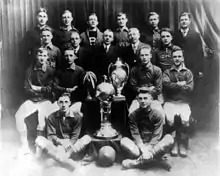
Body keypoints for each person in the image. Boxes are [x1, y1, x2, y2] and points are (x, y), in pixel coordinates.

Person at [15, 48, 58, 155]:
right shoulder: (29, 70)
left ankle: (40, 147)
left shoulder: (51, 71)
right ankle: (24, 144)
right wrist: (37, 91)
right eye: (40, 55)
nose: (42, 58)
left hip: (46, 100)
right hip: (33, 100)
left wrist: (38, 89)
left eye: (44, 55)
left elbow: (50, 89)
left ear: (47, 57)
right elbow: (27, 88)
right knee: (18, 115)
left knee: (42, 121)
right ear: (36, 56)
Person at [35, 92, 92, 170]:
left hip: (72, 147)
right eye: (61, 102)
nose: (64, 105)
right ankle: (66, 161)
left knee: (87, 138)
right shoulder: (51, 117)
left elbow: (75, 135)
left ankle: (62, 158)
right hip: (57, 146)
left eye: (66, 102)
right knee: (39, 140)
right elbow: (51, 136)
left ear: (70, 103)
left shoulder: (77, 117)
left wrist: (69, 144)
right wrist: (61, 142)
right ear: (57, 103)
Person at [120, 88, 174, 169]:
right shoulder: (133, 116)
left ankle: (137, 162)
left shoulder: (157, 115)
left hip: (154, 146)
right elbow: (135, 135)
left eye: (145, 98)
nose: (143, 101)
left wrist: (149, 149)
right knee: (123, 141)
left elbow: (157, 135)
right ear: (137, 100)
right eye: (140, 98)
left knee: (169, 139)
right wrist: (143, 149)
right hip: (139, 148)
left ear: (151, 99)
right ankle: (156, 161)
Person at [162, 48, 194, 157]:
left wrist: (174, 85)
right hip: (170, 101)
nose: (177, 59)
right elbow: (166, 85)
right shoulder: (167, 72)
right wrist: (180, 85)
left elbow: (189, 88)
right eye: (175, 57)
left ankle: (182, 144)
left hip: (183, 102)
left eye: (179, 56)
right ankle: (174, 143)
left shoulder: (188, 72)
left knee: (185, 121)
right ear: (171, 58)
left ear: (183, 58)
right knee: (170, 121)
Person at [173, 12, 204, 120]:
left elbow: (200, 53)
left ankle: (191, 119)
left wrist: (200, 69)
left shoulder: (195, 35)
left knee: (191, 92)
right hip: (178, 67)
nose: (184, 21)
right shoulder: (175, 35)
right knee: (179, 91)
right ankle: (179, 120)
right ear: (179, 22)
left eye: (186, 19)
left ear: (189, 21)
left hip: (192, 67)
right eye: (182, 20)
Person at [129, 46, 163, 113]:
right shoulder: (134, 70)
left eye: (146, 55)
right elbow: (133, 87)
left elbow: (158, 89)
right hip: (139, 99)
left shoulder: (157, 70)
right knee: (131, 112)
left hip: (153, 99)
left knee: (160, 113)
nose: (144, 57)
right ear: (139, 56)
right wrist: (148, 89)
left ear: (150, 56)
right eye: (142, 55)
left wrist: (141, 88)